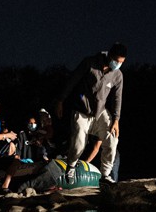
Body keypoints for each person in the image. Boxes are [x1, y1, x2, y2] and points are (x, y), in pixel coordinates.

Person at [54, 42, 126, 185]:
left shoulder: (118, 75)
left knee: (113, 138)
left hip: (100, 112)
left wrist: (116, 119)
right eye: (116, 61)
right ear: (110, 55)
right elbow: (72, 80)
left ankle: (105, 175)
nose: (117, 64)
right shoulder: (90, 62)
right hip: (82, 111)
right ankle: (71, 165)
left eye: (121, 62)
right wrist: (60, 100)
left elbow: (118, 98)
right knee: (79, 144)